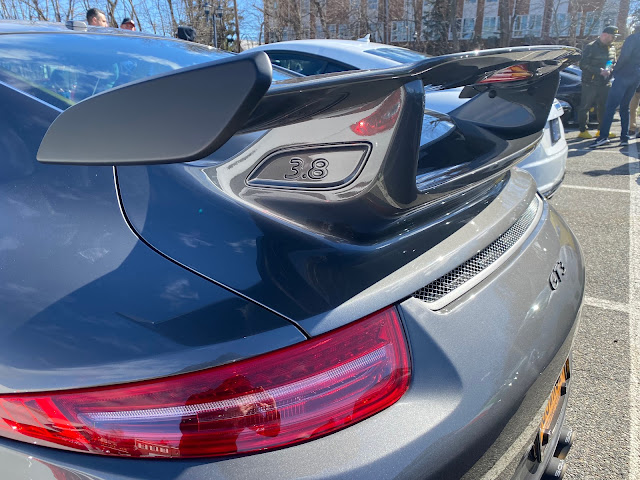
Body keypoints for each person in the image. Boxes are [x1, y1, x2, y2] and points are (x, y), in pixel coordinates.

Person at [591, 27, 640, 148]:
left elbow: (625, 57)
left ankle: (603, 136)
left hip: (624, 75)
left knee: (610, 107)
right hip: (636, 77)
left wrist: (613, 71)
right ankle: (624, 137)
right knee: (625, 107)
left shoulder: (633, 38)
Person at [577, 26, 618, 139]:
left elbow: (612, 61)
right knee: (585, 107)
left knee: (604, 107)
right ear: (604, 35)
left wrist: (610, 68)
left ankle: (602, 130)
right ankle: (583, 131)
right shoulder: (591, 47)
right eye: (612, 36)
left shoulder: (612, 47)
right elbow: (583, 64)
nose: (614, 39)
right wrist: (599, 71)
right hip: (590, 83)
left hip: (605, 83)